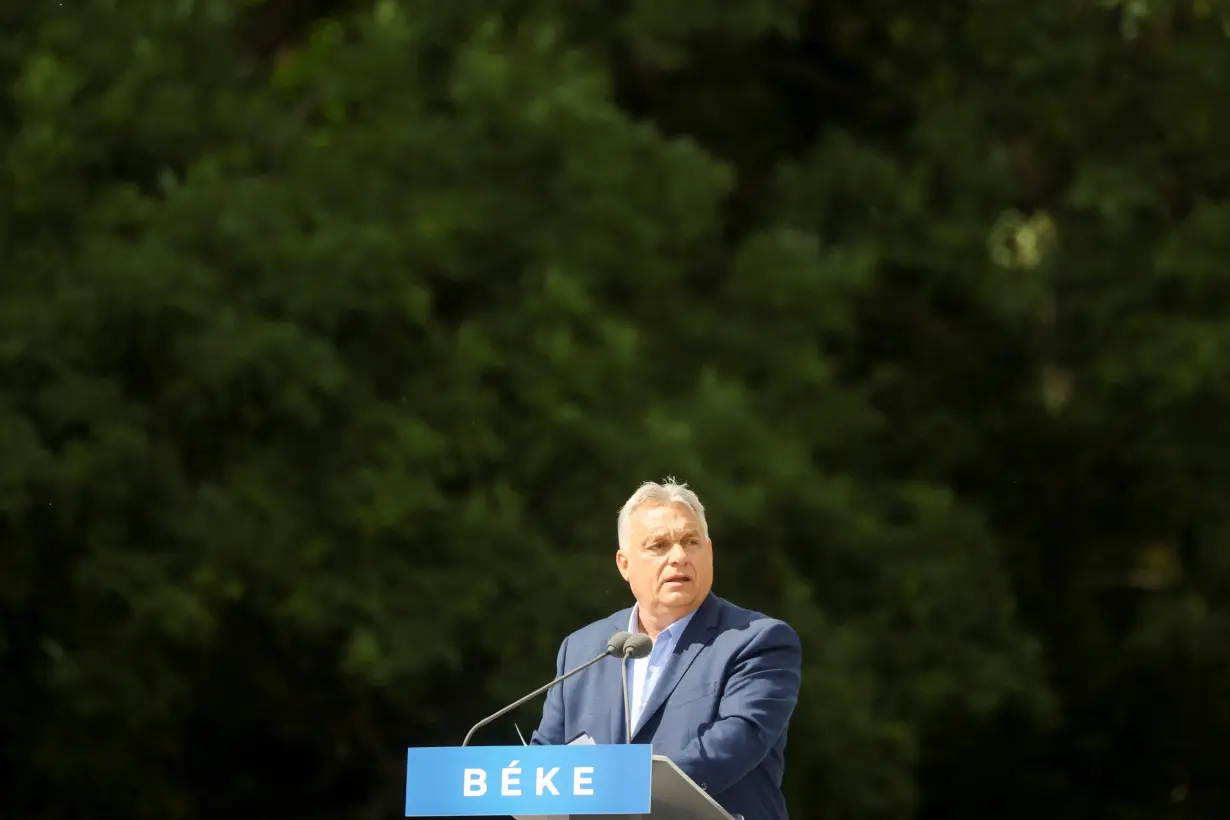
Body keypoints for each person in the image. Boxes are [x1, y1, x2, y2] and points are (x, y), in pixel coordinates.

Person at [530, 479, 803, 820]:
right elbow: (544, 763)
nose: (679, 557)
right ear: (624, 564)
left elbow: (735, 742)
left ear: (710, 552)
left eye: (691, 542)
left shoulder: (758, 641)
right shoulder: (583, 649)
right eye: (659, 545)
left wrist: (623, 789)